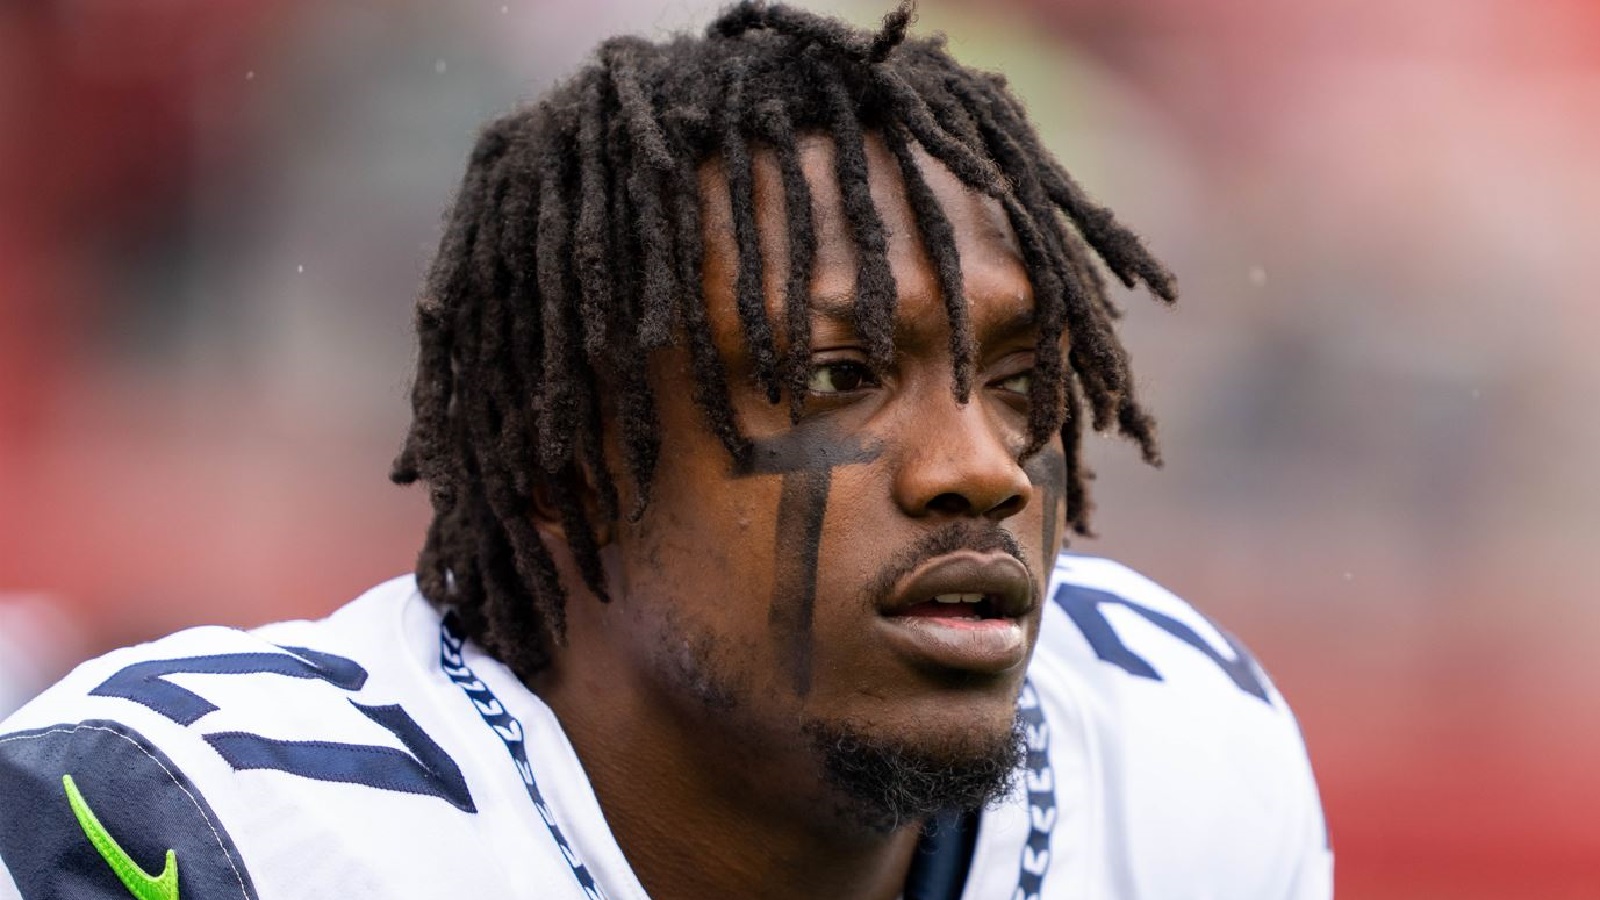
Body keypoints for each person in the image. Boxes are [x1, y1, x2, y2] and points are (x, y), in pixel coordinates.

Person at [0, 3, 1331, 898]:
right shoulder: (205, 832)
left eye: (1020, 381)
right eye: (839, 377)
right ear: (571, 465)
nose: (979, 468)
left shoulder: (1175, 756)